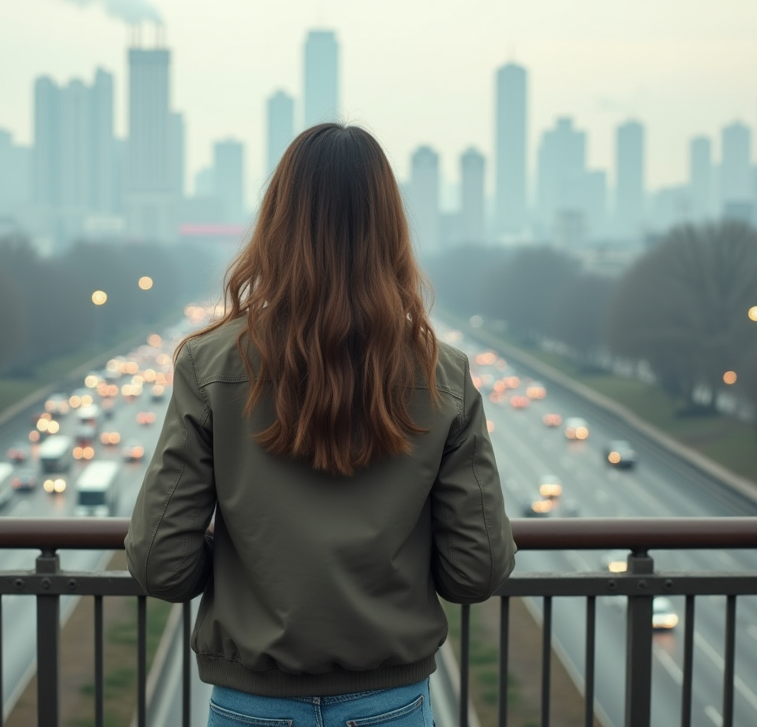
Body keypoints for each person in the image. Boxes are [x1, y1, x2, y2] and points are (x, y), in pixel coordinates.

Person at [126, 123, 515, 727]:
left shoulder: (209, 366)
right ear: (390, 229)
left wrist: (247, 565)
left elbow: (159, 564)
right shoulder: (445, 376)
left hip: (251, 703)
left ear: (277, 223)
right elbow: (477, 570)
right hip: (390, 703)